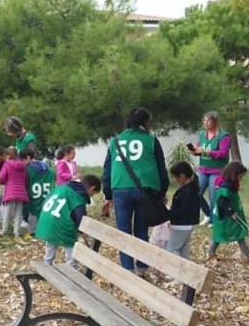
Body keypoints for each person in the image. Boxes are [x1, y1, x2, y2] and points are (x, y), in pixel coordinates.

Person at [102, 108, 169, 275]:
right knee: (141, 230)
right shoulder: (151, 141)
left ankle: (127, 269)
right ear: (146, 122)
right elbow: (161, 168)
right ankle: (142, 267)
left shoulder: (115, 141)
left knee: (123, 231)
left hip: (120, 188)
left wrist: (108, 194)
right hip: (146, 189)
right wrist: (162, 192)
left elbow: (107, 169)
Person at [36, 174, 102, 265]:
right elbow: (80, 218)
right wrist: (82, 230)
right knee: (71, 245)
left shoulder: (62, 188)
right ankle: (72, 266)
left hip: (46, 221)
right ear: (92, 188)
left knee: (51, 243)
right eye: (93, 194)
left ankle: (47, 263)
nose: (91, 196)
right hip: (61, 225)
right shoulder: (78, 197)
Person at [210, 161, 249, 263]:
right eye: (240, 176)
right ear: (234, 174)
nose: (241, 178)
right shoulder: (225, 186)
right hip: (226, 216)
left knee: (235, 234)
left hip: (229, 215)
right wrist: (231, 212)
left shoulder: (230, 184)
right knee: (232, 234)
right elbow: (222, 201)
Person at [188, 111, 231, 225]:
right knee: (195, 192)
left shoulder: (224, 136)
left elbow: (223, 153)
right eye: (204, 120)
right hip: (203, 169)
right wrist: (195, 151)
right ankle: (207, 213)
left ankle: (213, 219)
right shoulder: (203, 134)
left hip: (217, 171)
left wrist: (207, 152)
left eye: (208, 120)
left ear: (215, 122)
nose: (205, 123)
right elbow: (200, 149)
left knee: (213, 195)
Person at [167, 162, 206, 259]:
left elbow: (183, 210)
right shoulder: (192, 190)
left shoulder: (186, 192)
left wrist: (168, 213)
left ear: (182, 176)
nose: (174, 180)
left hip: (181, 225)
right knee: (183, 252)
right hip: (187, 224)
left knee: (171, 250)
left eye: (175, 177)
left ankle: (175, 267)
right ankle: (185, 268)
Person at [0, 147, 29, 237]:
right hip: (21, 192)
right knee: (18, 213)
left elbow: (1, 177)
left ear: (8, 155)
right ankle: (16, 232)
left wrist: (4, 182)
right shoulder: (23, 166)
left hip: (10, 191)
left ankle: (4, 230)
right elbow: (26, 179)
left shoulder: (7, 165)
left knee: (7, 212)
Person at [23, 148, 55, 234]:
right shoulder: (50, 172)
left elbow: (25, 184)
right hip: (46, 198)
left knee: (32, 216)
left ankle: (33, 231)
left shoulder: (28, 170)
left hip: (33, 198)